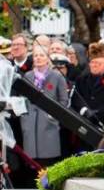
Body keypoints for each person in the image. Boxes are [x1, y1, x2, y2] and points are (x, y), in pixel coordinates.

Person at [21, 45, 69, 178]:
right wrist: (24, 119)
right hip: (30, 124)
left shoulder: (57, 76)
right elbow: (23, 99)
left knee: (48, 163)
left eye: (42, 55)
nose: (38, 58)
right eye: (36, 55)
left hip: (48, 124)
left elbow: (63, 101)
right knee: (32, 164)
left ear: (48, 58)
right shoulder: (28, 76)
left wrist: (52, 116)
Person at [71, 43, 104, 132]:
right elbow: (76, 97)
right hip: (85, 123)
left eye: (98, 63)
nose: (94, 65)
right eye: (92, 62)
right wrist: (84, 110)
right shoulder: (82, 79)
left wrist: (98, 113)